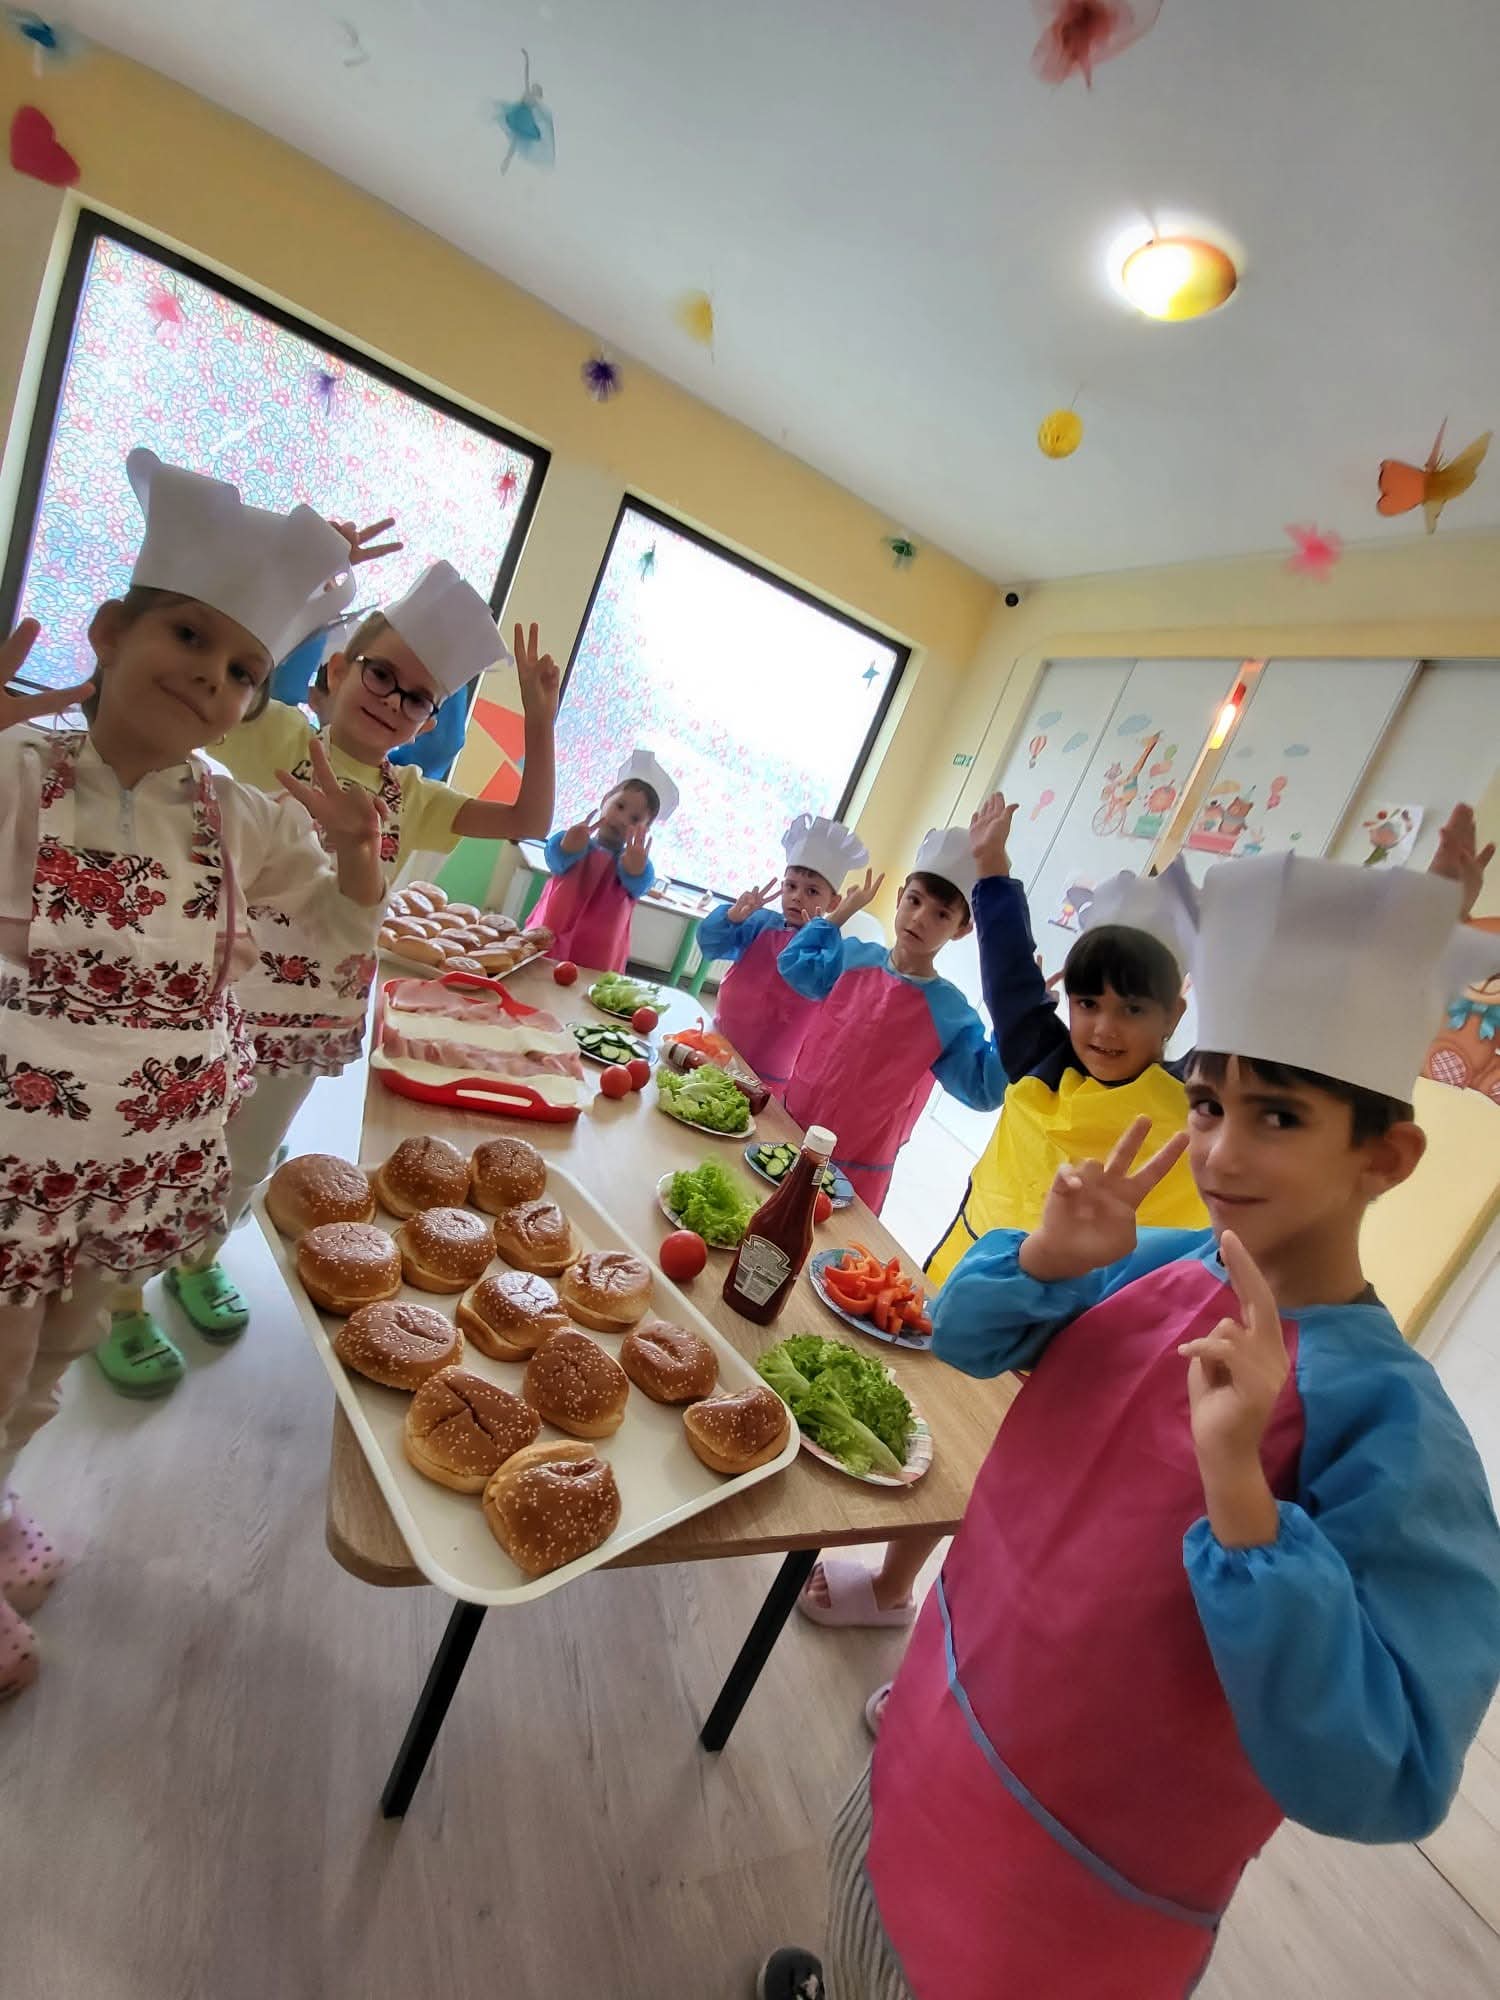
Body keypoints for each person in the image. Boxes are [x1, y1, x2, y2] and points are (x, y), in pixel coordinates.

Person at [760, 851, 1500, 2000]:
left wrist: (1245, 1500)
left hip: (1072, 1879)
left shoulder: (1394, 1426)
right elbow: (965, 1336)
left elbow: (1384, 1771)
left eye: (1278, 1114)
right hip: (939, 1707)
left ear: (1386, 1157)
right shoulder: (1154, 1262)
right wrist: (1045, 1260)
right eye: (1208, 1103)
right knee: (863, 1902)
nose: (1222, 1151)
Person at [0, 450, 387, 1698]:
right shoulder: (19, 770)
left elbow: (338, 928)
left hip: (135, 1165)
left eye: (242, 668)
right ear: (109, 632)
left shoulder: (238, 816)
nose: (213, 675)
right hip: (14, 1167)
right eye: (187, 634)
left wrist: (358, 852)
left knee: (56, 1356)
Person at [94, 558, 560, 1390]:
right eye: (381, 674)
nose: (392, 700)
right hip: (215, 1000)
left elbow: (530, 818)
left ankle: (197, 1259)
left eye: (417, 698)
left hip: (312, 1018)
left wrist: (539, 720)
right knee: (165, 1146)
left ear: (427, 722)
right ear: (338, 669)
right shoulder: (273, 732)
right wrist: (300, 587)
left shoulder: (413, 796)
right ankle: (119, 1298)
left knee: (247, 1157)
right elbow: (222, 675)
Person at [801, 793, 1204, 1634]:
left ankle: (913, 1599)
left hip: (1076, 1319)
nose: (1104, 1028)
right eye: (1088, 1003)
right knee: (931, 1412)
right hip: (972, 1267)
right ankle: (882, 1563)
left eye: (1134, 1009)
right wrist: (992, 869)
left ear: (1176, 1014)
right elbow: (1011, 971)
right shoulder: (1043, 1054)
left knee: (996, 1457)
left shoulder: (1192, 1113)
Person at [776, 827, 1006, 1215]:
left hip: (859, 1163)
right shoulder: (852, 957)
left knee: (827, 1241)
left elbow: (983, 1089)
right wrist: (836, 917)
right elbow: (795, 967)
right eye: (914, 900)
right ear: (899, 898)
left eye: (941, 914)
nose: (920, 918)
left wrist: (1012, 1021)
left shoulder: (949, 1012)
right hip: (793, 1123)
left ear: (962, 929)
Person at [697, 813, 869, 1098]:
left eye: (812, 891)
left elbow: (813, 982)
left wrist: (824, 929)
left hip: (770, 1069)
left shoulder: (828, 948)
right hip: (720, 1042)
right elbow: (711, 945)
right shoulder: (761, 922)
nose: (797, 896)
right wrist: (732, 918)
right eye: (790, 886)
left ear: (834, 902)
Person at [533, 747, 678, 971]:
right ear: (605, 800)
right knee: (537, 977)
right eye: (619, 806)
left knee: (585, 989)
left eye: (635, 818)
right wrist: (567, 846)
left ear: (645, 829)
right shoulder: (576, 841)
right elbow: (555, 861)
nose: (622, 819)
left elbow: (642, 885)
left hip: (598, 953)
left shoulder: (635, 863)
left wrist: (636, 871)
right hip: (551, 935)